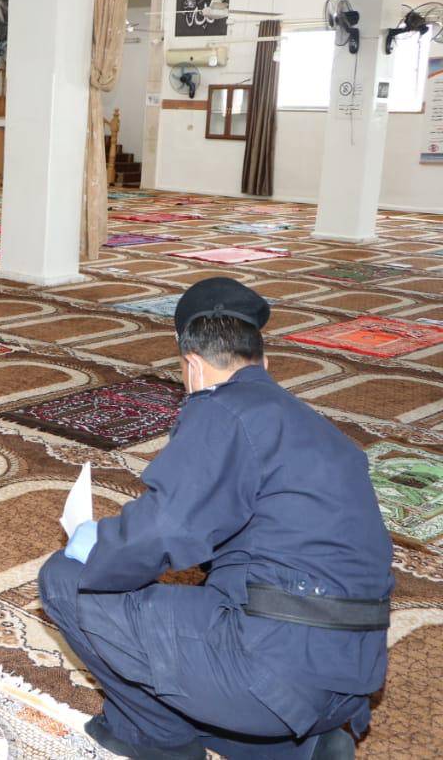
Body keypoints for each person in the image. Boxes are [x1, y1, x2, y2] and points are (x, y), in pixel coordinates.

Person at [38, 277, 392, 760]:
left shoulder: (222, 408)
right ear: (264, 362)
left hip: (274, 665)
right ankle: (297, 748)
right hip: (350, 676)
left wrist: (91, 544)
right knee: (208, 602)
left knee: (64, 579)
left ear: (193, 366)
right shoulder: (319, 429)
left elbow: (166, 528)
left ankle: (154, 740)